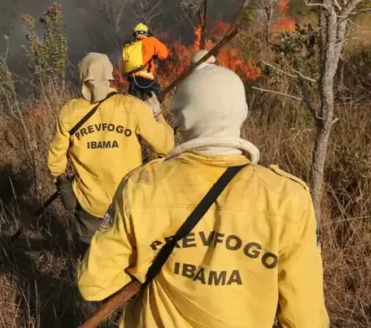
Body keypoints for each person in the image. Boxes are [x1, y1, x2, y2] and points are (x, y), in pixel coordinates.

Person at [78, 64, 328, 327]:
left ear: (180, 117)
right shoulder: (287, 197)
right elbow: (305, 319)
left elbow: (93, 285)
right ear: (242, 114)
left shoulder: (141, 186)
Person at [47, 53, 174, 258]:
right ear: (109, 75)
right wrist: (157, 114)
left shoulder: (70, 112)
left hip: (89, 205)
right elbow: (166, 146)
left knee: (92, 264)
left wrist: (61, 183)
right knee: (130, 261)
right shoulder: (132, 107)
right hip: (128, 203)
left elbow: (55, 161)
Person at [121, 23, 169, 100]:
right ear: (146, 33)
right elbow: (164, 54)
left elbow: (123, 68)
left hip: (133, 81)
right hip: (147, 80)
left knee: (132, 106)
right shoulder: (151, 41)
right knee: (155, 103)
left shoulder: (129, 47)